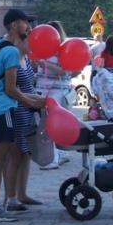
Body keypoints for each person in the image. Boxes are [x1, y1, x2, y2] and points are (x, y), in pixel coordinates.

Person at [0, 8, 46, 222]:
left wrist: (34, 99)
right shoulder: (9, 51)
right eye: (25, 22)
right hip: (1, 109)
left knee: (8, 157)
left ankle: (7, 202)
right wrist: (32, 102)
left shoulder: (1, 44)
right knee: (0, 159)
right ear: (14, 25)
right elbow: (10, 89)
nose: (28, 26)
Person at [35, 20, 74, 170]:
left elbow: (65, 70)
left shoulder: (62, 49)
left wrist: (46, 65)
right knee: (46, 124)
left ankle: (53, 158)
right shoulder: (44, 48)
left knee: (50, 125)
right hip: (42, 90)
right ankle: (61, 153)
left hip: (57, 91)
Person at [11, 36, 41, 207]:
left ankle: (22, 193)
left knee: (27, 154)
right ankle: (11, 197)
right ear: (20, 42)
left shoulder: (26, 59)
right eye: (30, 42)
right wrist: (34, 97)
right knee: (16, 154)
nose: (33, 46)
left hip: (30, 108)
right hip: (19, 108)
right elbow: (12, 89)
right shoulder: (13, 59)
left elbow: (29, 82)